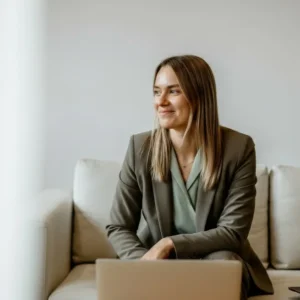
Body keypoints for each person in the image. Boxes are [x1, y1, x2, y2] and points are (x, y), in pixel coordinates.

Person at [106, 55, 274, 300]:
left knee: (223, 262)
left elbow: (233, 232)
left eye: (173, 91)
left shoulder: (238, 148)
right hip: (160, 265)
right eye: (156, 92)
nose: (160, 102)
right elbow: (119, 226)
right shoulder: (140, 147)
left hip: (217, 259)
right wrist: (143, 263)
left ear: (199, 95)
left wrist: (169, 243)